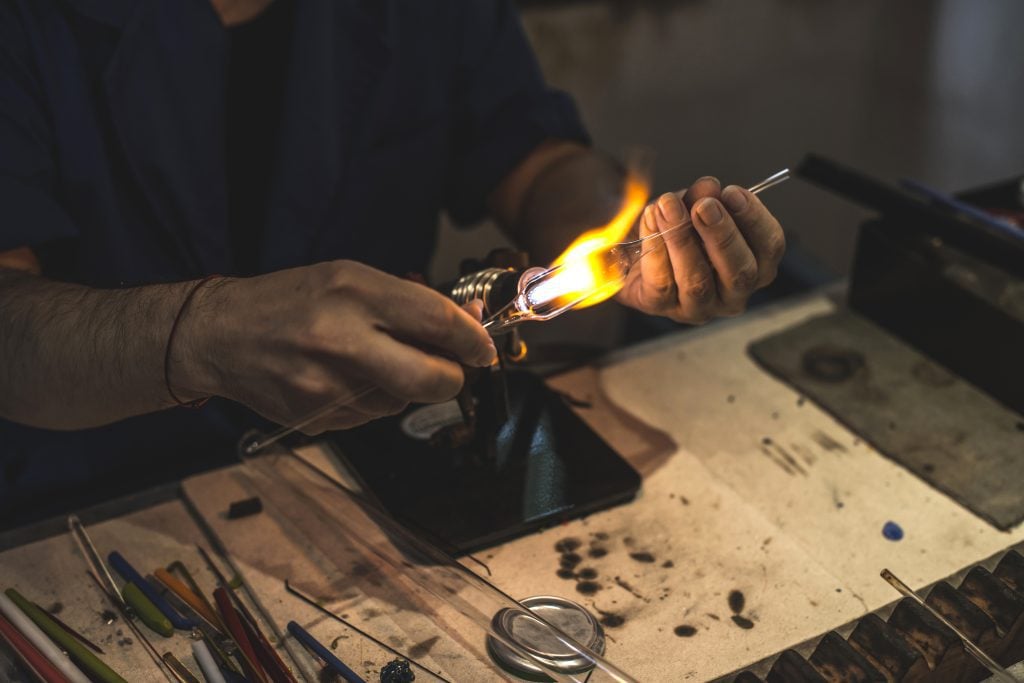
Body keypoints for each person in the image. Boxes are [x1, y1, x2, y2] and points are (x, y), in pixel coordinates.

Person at [0, 0, 784, 526]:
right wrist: (195, 334)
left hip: (370, 478)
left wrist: (632, 249)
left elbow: (538, 163)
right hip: (96, 508)